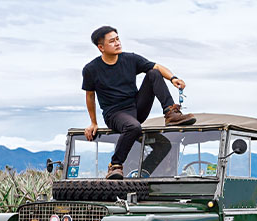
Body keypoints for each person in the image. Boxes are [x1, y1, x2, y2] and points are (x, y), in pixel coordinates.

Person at [82, 25, 196, 179]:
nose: (117, 43)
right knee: (133, 127)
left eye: (117, 39)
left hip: (136, 107)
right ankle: (115, 165)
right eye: (112, 41)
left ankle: (171, 113)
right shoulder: (91, 69)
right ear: (101, 47)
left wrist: (173, 78)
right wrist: (93, 122)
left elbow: (156, 66)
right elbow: (90, 96)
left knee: (153, 73)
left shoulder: (130, 59)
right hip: (115, 114)